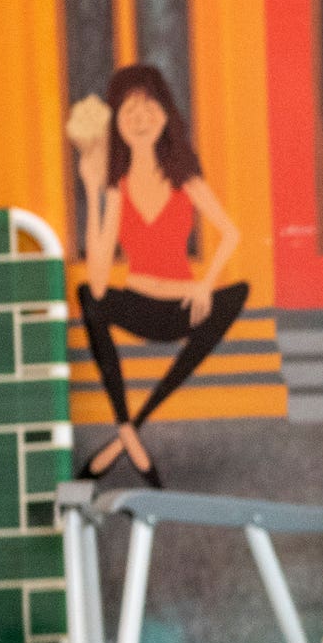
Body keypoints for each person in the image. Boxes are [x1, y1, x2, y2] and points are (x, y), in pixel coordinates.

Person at [70, 63, 247, 484]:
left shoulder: (184, 177)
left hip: (182, 306)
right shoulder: (117, 187)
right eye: (129, 110)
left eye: (149, 106)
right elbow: (97, 283)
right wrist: (93, 190)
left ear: (166, 114)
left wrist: (205, 284)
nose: (140, 118)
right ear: (116, 123)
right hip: (136, 303)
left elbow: (230, 233)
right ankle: (127, 430)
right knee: (86, 296)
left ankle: (129, 431)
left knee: (236, 293)